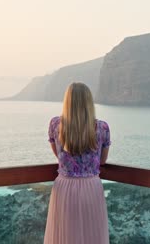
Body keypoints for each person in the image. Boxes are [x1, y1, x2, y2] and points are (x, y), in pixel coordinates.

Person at [44, 82, 110, 244]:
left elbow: (58, 155)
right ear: (89, 102)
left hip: (64, 187)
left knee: (65, 235)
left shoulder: (55, 124)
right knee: (92, 235)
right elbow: (102, 160)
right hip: (91, 187)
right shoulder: (102, 127)